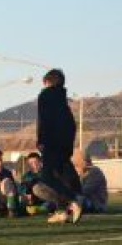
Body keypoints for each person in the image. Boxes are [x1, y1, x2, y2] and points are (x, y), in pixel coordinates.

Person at [36, 69, 84, 224]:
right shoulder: (63, 98)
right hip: (65, 142)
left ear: (47, 82)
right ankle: (62, 210)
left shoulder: (45, 96)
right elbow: (71, 124)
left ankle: (73, 201)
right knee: (62, 175)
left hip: (52, 141)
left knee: (47, 176)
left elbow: (44, 120)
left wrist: (41, 140)